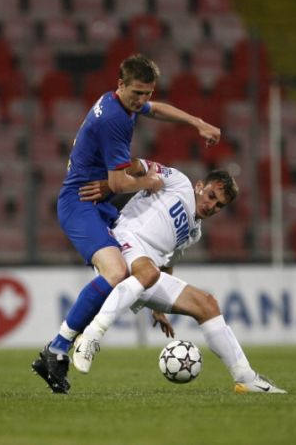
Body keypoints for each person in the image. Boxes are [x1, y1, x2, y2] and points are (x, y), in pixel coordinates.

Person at [31, 54, 221, 394]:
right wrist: (148, 182)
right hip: (81, 204)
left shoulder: (122, 103)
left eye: (147, 93)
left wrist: (196, 122)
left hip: (101, 205)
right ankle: (57, 349)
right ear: (120, 85)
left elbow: (157, 110)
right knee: (117, 273)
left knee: (128, 272)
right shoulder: (114, 120)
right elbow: (119, 184)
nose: (142, 101)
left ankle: (56, 351)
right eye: (137, 93)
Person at [72, 161, 286, 394]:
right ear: (199, 186)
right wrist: (113, 184)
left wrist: (158, 308)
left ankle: (246, 378)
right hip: (124, 243)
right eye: (211, 195)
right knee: (148, 271)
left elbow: (168, 262)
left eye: (218, 205)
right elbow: (139, 164)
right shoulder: (178, 182)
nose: (211, 205)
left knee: (207, 305)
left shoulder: (194, 231)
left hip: (146, 268)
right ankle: (90, 337)